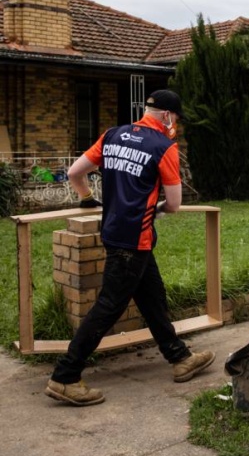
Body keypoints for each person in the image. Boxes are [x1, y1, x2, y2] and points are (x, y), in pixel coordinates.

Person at [45, 89, 215, 406]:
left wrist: (86, 198)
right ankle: (65, 376)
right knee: (109, 305)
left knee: (152, 296)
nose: (174, 124)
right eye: (175, 118)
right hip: (134, 238)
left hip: (113, 231)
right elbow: (175, 204)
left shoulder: (112, 135)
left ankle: (179, 357)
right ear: (167, 116)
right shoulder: (165, 147)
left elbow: (74, 172)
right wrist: (158, 210)